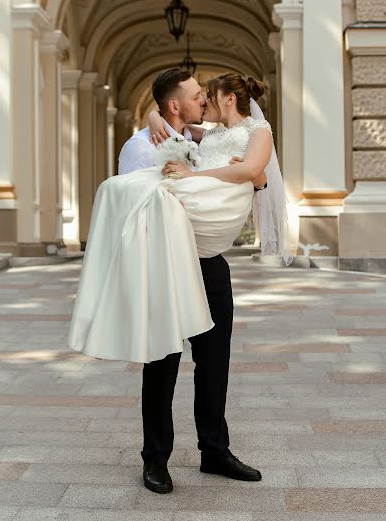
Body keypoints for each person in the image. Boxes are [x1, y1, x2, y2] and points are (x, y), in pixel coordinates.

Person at [67, 68, 291, 494]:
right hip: (167, 259)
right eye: (196, 96)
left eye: (208, 95)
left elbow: (258, 172)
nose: (203, 101)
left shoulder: (228, 133)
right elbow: (156, 163)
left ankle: (215, 451)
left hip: (208, 263)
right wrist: (154, 121)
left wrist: (221, 175)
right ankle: (155, 460)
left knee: (214, 362)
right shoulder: (173, 140)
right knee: (162, 360)